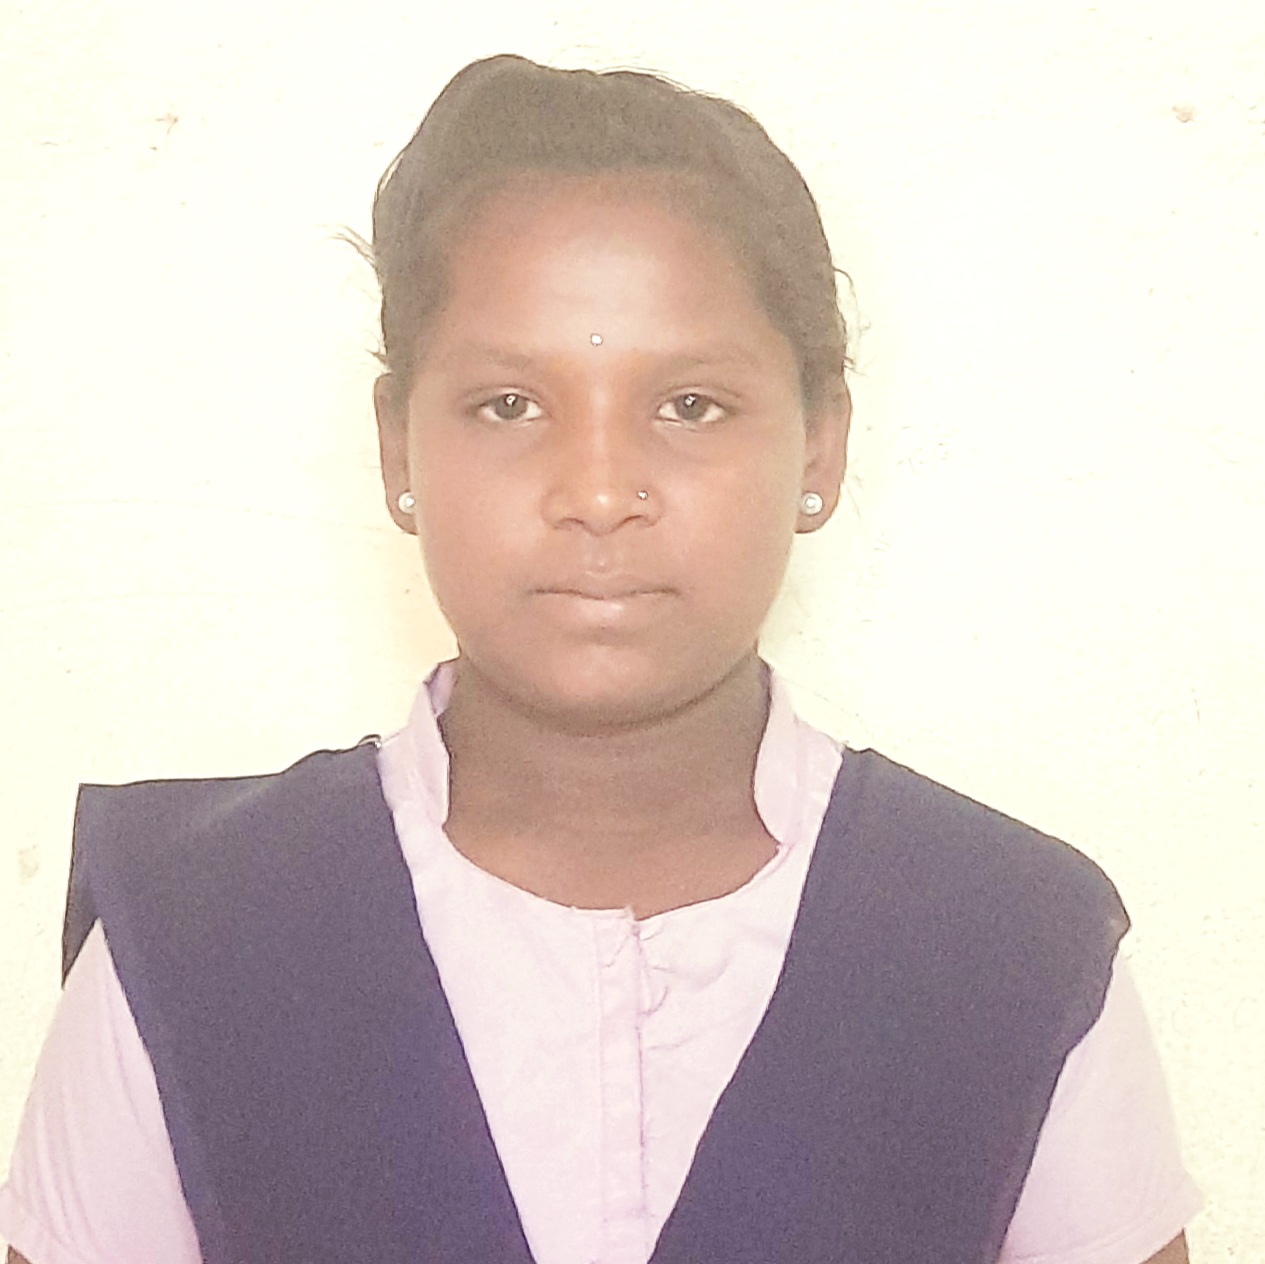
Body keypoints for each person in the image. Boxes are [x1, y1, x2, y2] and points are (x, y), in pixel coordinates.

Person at [0, 54, 1200, 1264]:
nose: (598, 491)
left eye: (688, 405)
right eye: (509, 405)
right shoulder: (198, 943)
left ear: (819, 446)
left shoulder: (1006, 948)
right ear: (397, 448)